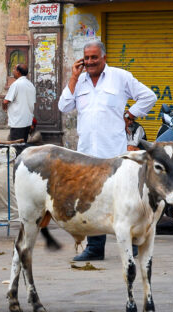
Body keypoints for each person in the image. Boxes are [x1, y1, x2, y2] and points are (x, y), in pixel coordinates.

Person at [57, 39, 157, 261]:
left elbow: (149, 96)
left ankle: (131, 246)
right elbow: (63, 106)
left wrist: (131, 114)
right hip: (86, 154)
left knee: (122, 200)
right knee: (92, 201)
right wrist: (73, 77)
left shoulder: (120, 77)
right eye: (87, 58)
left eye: (94, 57)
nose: (90, 62)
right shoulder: (80, 81)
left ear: (104, 57)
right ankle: (94, 248)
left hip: (114, 152)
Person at [3, 63, 36, 142]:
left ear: (18, 72)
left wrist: (4, 107)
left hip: (18, 122)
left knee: (16, 147)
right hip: (27, 121)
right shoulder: (31, 85)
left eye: (14, 69)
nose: (13, 71)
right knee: (23, 145)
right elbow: (33, 103)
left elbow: (5, 101)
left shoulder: (16, 84)